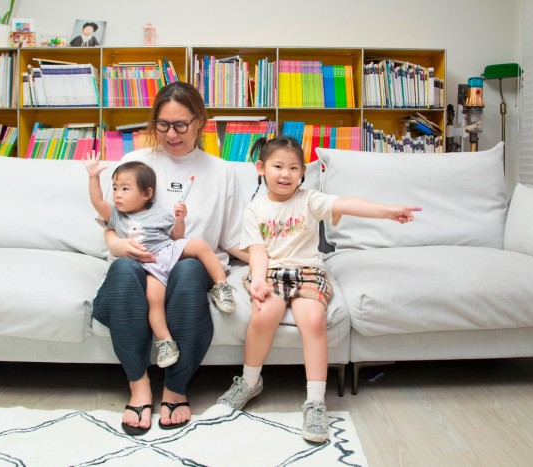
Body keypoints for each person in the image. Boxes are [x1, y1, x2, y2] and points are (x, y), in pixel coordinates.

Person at [217, 136, 421, 443]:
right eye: (277, 166)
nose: (285, 174)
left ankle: (315, 401)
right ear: (261, 168)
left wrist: (387, 211)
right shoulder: (254, 209)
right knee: (264, 314)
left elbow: (348, 204)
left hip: (308, 271)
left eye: (293, 168)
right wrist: (257, 280)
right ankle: (248, 382)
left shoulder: (310, 199)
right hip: (271, 272)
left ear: (302, 173)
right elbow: (257, 252)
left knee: (312, 319)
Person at [92, 81, 248, 436]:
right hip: (138, 261)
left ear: (200, 122)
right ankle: (139, 386)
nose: (171, 134)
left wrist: (267, 264)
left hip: (188, 262)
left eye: (181, 125)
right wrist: (116, 246)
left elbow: (234, 239)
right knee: (123, 271)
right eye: (162, 125)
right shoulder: (135, 163)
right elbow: (111, 224)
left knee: (191, 270)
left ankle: (176, 388)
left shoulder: (222, 171)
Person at [83, 158, 237, 371]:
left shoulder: (158, 212)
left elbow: (176, 236)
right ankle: (165, 342)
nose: (117, 194)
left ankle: (221, 285)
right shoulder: (116, 216)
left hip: (167, 252)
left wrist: (180, 220)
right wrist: (93, 176)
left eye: (125, 189)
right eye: (116, 188)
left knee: (199, 245)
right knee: (153, 301)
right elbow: (97, 202)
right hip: (148, 266)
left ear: (147, 194)